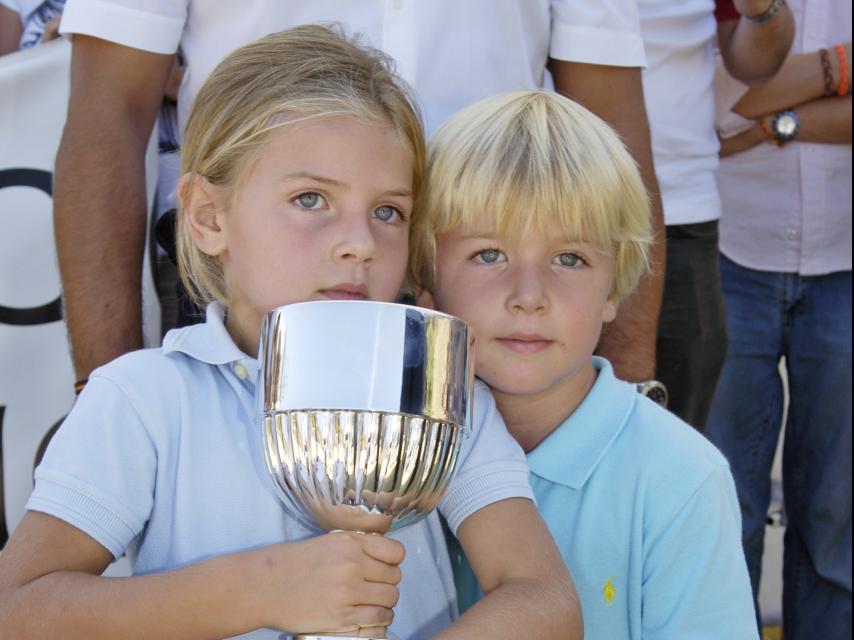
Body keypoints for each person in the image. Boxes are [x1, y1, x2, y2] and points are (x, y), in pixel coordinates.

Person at [0, 27, 580, 639]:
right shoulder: (143, 400)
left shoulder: (437, 396)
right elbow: (16, 611)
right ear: (207, 217)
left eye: (389, 212)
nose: (360, 243)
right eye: (311, 199)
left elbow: (544, 600)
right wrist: (262, 588)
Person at [54, 0, 665, 393]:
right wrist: (99, 391)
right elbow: (107, 111)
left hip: (484, 295)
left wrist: (629, 394)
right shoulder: (151, 409)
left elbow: (611, 130)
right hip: (247, 279)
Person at [408, 90, 758, 639]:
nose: (529, 295)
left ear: (615, 284)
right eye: (489, 254)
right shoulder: (387, 441)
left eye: (569, 258)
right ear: (427, 280)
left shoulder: (682, 478)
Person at [706, 0, 852, 637]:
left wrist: (769, 122)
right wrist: (838, 71)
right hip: (727, 252)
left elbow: (747, 106)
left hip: (846, 259)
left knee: (836, 516)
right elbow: (721, 105)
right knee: (721, 502)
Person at [637, 0, 794, 428]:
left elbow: (752, 63)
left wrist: (762, 11)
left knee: (676, 435)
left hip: (683, 209)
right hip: (557, 196)